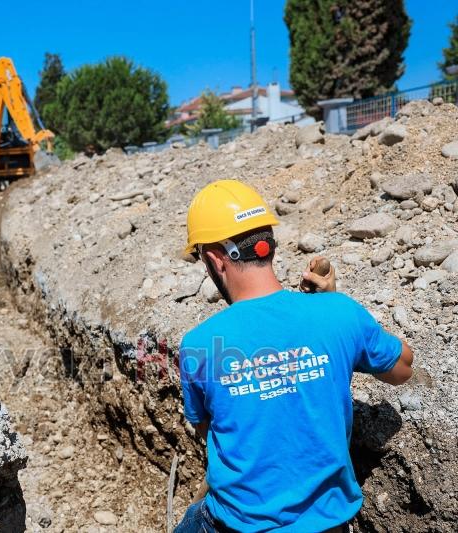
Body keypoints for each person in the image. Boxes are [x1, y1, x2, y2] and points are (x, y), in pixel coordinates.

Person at [175, 180, 414, 532]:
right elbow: (403, 369)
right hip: (330, 525)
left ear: (214, 260)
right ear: (267, 244)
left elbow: (210, 428)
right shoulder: (339, 313)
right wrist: (332, 309)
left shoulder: (199, 344)